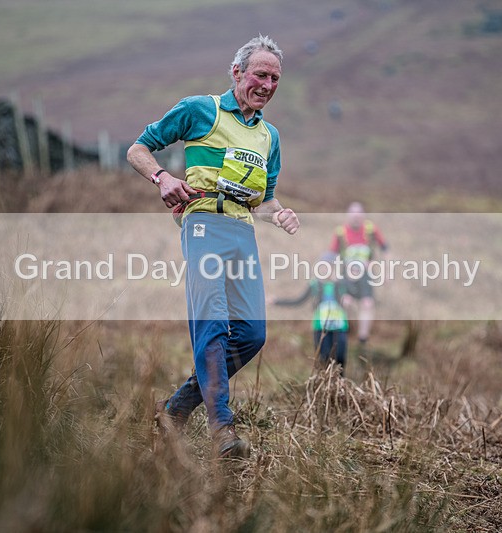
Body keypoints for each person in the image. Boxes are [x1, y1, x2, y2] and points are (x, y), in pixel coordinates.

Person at [126, 36, 299, 460]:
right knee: (213, 324)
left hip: (243, 233)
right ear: (237, 73)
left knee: (252, 334)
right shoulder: (200, 110)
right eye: (261, 75)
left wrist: (280, 214)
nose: (267, 85)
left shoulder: (270, 136)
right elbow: (137, 149)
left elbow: (263, 201)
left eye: (275, 79)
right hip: (203, 225)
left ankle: (175, 409)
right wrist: (163, 178)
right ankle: (222, 428)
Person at [272, 252, 350, 376]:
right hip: (320, 328)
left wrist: (348, 299)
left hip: (339, 327)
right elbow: (298, 301)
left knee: (340, 358)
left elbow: (361, 294)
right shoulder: (315, 285)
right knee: (323, 358)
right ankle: (324, 384)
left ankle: (341, 384)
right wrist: (276, 301)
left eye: (330, 266)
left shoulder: (342, 284)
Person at [329, 202, 387, 352]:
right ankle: (345, 334)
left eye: (359, 213)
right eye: (353, 213)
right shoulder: (340, 232)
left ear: (363, 215)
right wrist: (333, 274)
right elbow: (332, 255)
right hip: (346, 275)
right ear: (348, 215)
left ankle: (363, 341)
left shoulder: (371, 230)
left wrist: (384, 270)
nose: (356, 217)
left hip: (365, 275)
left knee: (367, 304)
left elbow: (385, 248)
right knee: (346, 302)